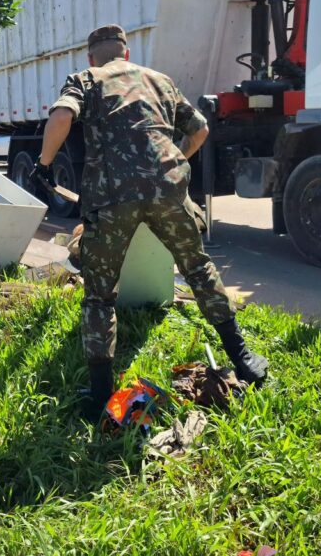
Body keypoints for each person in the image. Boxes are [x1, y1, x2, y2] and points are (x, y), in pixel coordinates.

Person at [33, 24, 268, 420]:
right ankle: (243, 358)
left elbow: (61, 117)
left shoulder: (85, 79)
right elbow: (201, 129)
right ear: (126, 54)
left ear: (93, 58)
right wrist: (172, 162)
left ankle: (100, 394)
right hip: (168, 190)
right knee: (197, 267)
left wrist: (43, 166)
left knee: (100, 294)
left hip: (111, 199)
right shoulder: (159, 80)